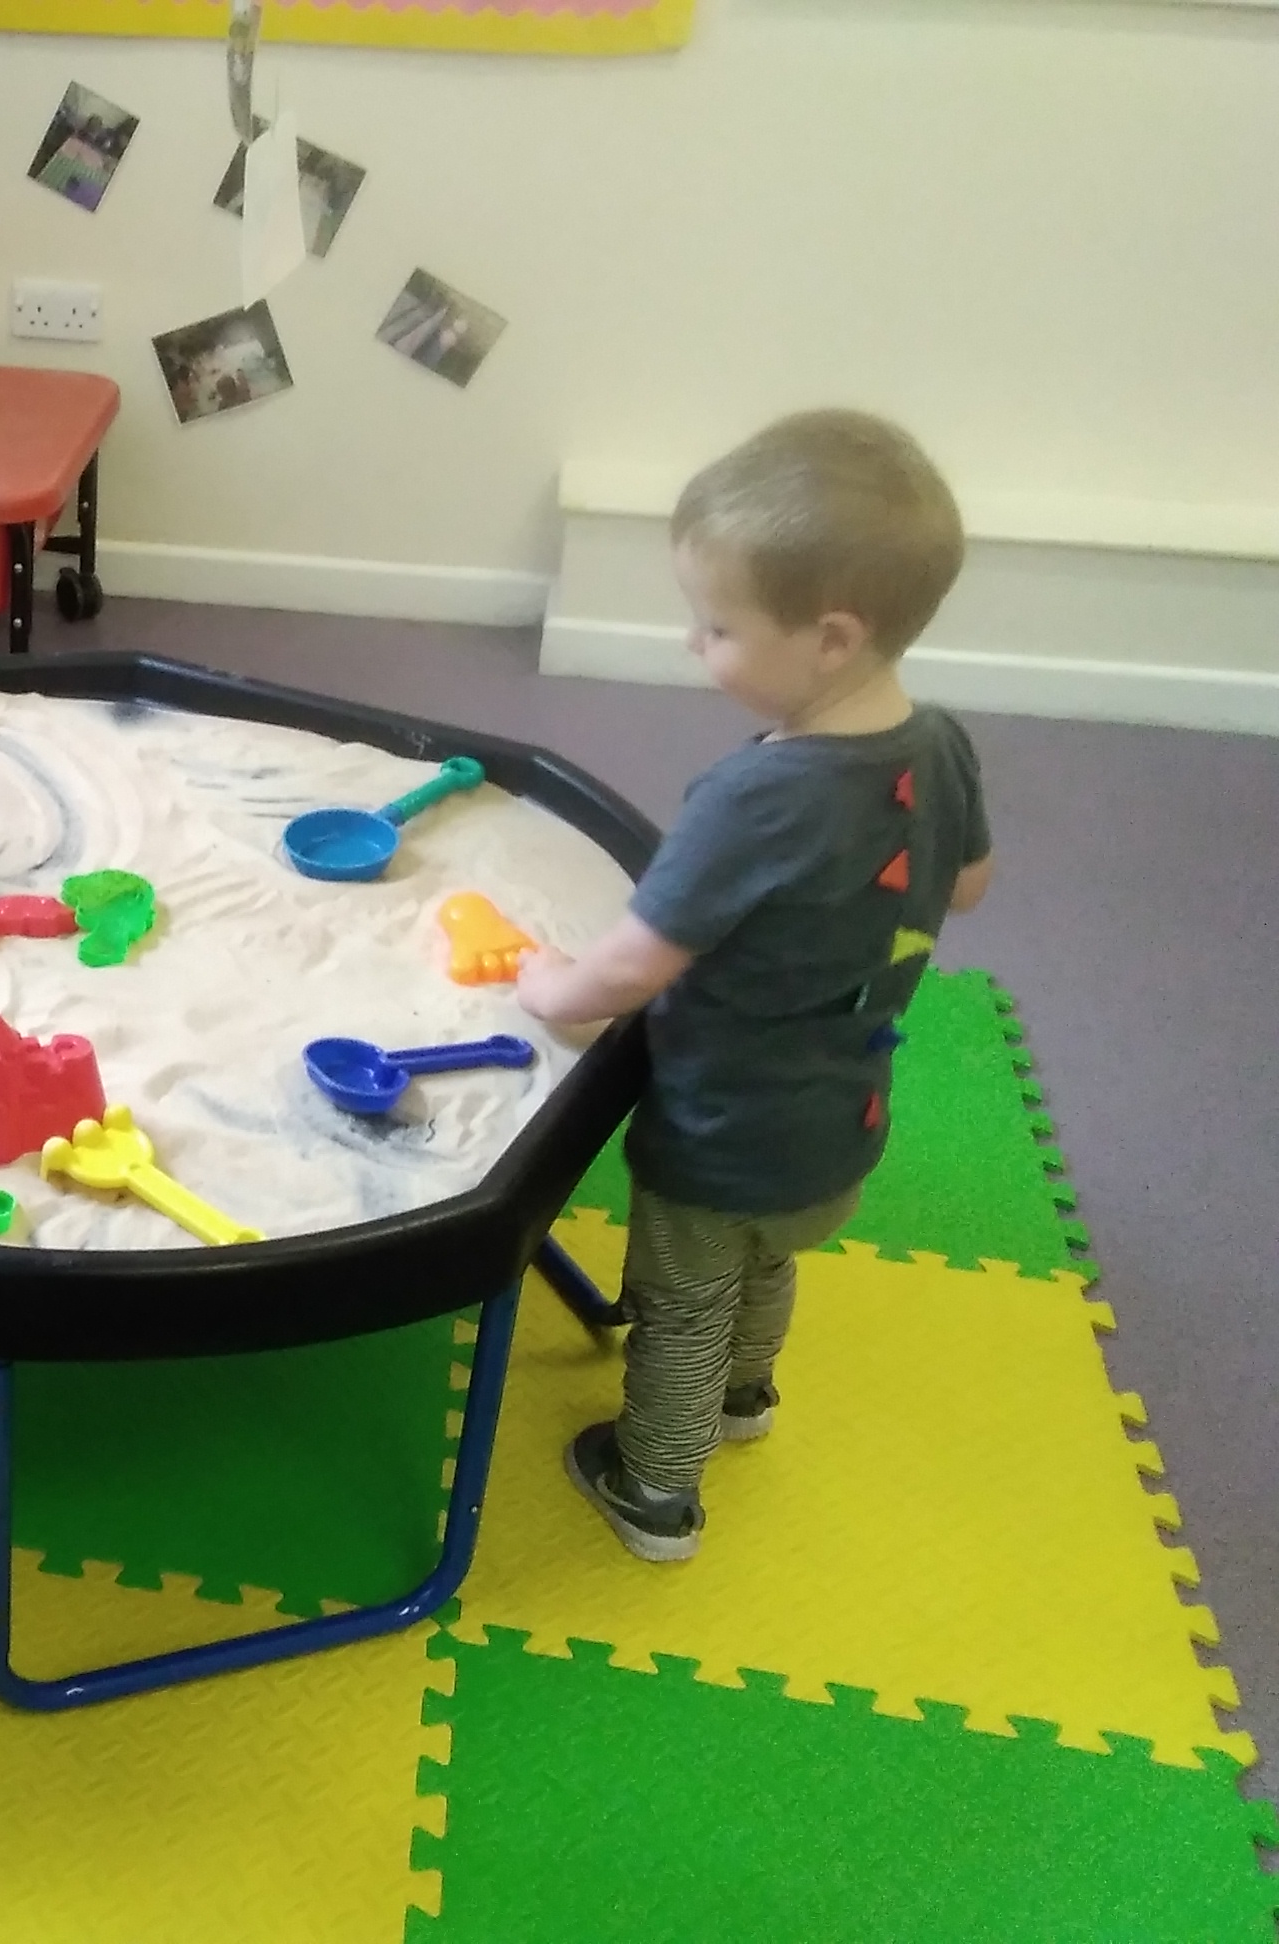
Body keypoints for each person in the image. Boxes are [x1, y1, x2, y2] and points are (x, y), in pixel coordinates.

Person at [515, 409, 994, 1564]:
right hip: (844, 1117)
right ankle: (745, 1397)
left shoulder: (754, 798)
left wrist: (550, 986)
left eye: (718, 626)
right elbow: (971, 884)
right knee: (770, 1262)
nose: (695, 644)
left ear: (831, 638)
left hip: (722, 1129)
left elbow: (634, 967)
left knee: (681, 1305)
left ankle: (655, 1489)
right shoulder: (940, 744)